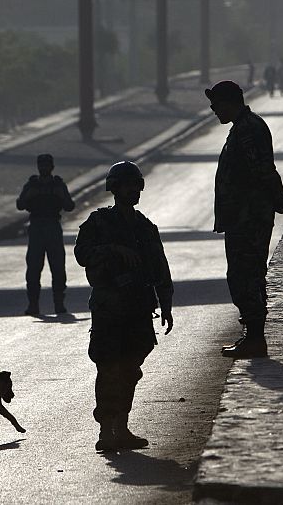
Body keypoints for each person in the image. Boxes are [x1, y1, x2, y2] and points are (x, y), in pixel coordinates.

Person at [74, 161, 174, 452]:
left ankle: (122, 427)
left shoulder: (145, 227)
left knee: (129, 369)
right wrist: (113, 249)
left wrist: (166, 303)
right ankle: (106, 430)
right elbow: (82, 254)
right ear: (115, 189)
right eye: (128, 185)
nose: (134, 190)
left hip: (138, 309)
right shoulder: (98, 222)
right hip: (109, 309)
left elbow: (160, 268)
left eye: (137, 185)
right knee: (108, 368)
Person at [205, 80, 283, 359]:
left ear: (230, 102)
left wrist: (279, 197)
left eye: (216, 105)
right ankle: (252, 335)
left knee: (247, 275)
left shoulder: (248, 130)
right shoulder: (242, 128)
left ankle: (255, 338)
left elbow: (263, 168)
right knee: (243, 274)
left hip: (249, 217)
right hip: (241, 216)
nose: (214, 110)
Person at [16, 153, 75, 315]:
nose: (44, 168)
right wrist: (30, 195)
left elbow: (69, 206)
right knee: (33, 269)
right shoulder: (32, 184)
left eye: (46, 165)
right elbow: (20, 204)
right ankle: (33, 304)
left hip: (52, 226)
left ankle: (59, 303)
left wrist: (60, 195)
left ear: (52, 167)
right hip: (36, 228)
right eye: (41, 165)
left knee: (58, 268)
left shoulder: (58, 184)